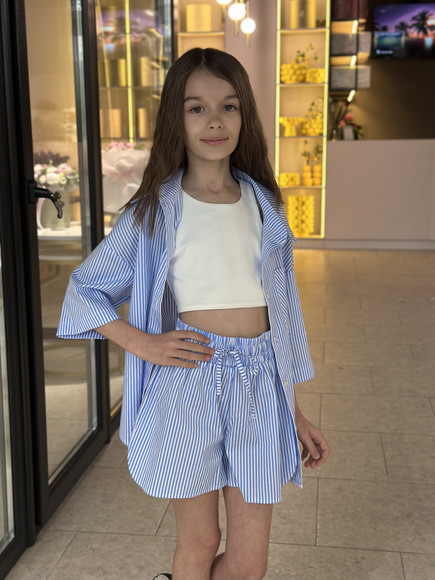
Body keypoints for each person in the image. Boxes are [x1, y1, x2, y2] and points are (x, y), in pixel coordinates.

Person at [57, 47, 330, 580]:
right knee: (201, 542)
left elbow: (284, 317)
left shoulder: (265, 206)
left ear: (245, 115)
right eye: (196, 108)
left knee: (249, 564)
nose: (214, 121)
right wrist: (144, 343)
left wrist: (292, 410)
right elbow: (85, 289)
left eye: (229, 106)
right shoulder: (154, 211)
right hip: (189, 384)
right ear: (175, 120)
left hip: (259, 386)